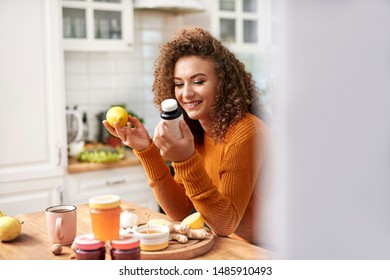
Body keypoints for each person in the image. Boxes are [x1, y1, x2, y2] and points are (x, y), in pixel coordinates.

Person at [103, 26, 274, 248]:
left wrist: (184, 159)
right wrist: (147, 151)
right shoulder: (196, 132)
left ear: (223, 84)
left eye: (198, 81)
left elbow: (226, 223)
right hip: (234, 246)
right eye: (178, 84)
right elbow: (181, 211)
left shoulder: (247, 132)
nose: (186, 93)